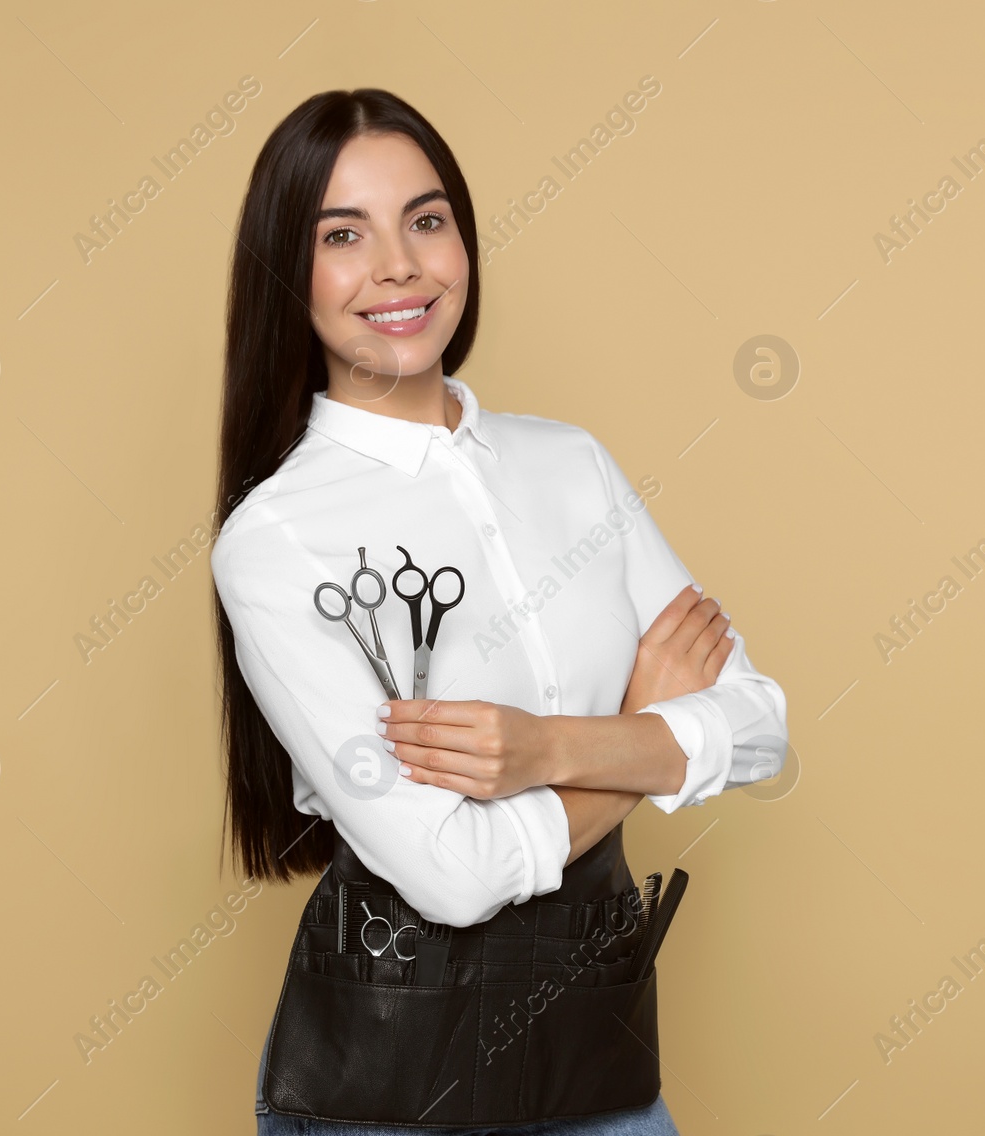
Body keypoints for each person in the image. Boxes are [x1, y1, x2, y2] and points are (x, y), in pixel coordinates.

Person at [209, 88, 789, 1135]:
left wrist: (548, 748)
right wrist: (644, 741)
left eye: (425, 220)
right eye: (344, 235)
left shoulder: (571, 465)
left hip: (596, 1062)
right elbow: (452, 876)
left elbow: (759, 725)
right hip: (392, 1091)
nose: (398, 265)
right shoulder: (276, 540)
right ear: (287, 275)